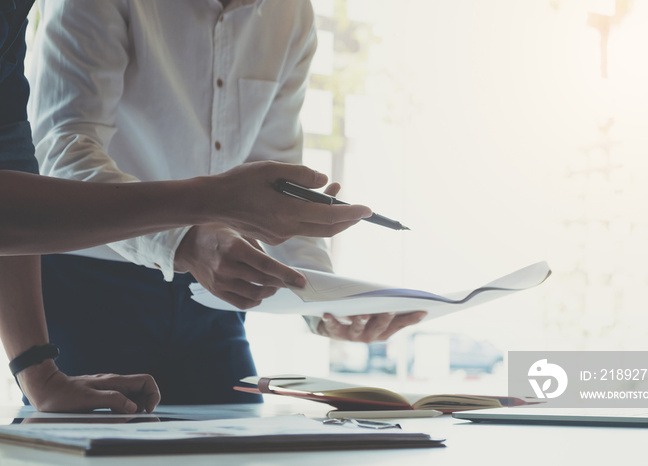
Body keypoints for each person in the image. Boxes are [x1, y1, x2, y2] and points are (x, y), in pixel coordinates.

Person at [29, 0, 427, 405]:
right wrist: (183, 240)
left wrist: (325, 304)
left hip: (213, 293)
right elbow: (64, 152)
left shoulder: (291, 13)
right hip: (90, 285)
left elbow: (279, 186)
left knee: (242, 445)